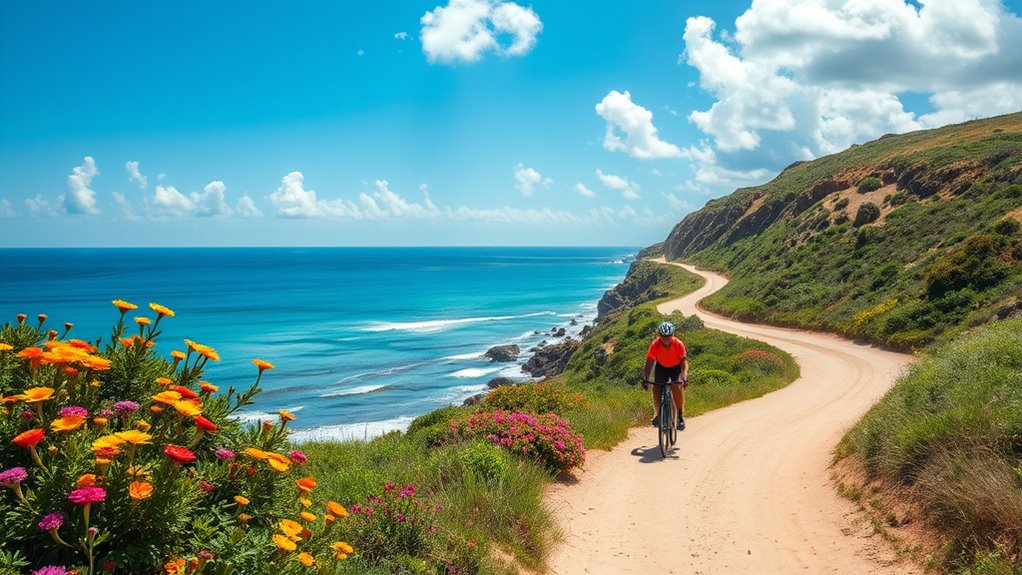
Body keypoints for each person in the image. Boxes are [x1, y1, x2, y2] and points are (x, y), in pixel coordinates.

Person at [642, 321, 689, 430]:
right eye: (663, 336)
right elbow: (649, 363)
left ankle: (680, 415)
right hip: (661, 367)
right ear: (659, 335)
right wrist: (645, 378)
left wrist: (684, 376)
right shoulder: (655, 345)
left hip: (675, 368)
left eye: (669, 336)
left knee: (676, 387)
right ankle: (659, 414)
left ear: (673, 335)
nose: (666, 339)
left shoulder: (678, 344)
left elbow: (684, 362)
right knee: (656, 389)